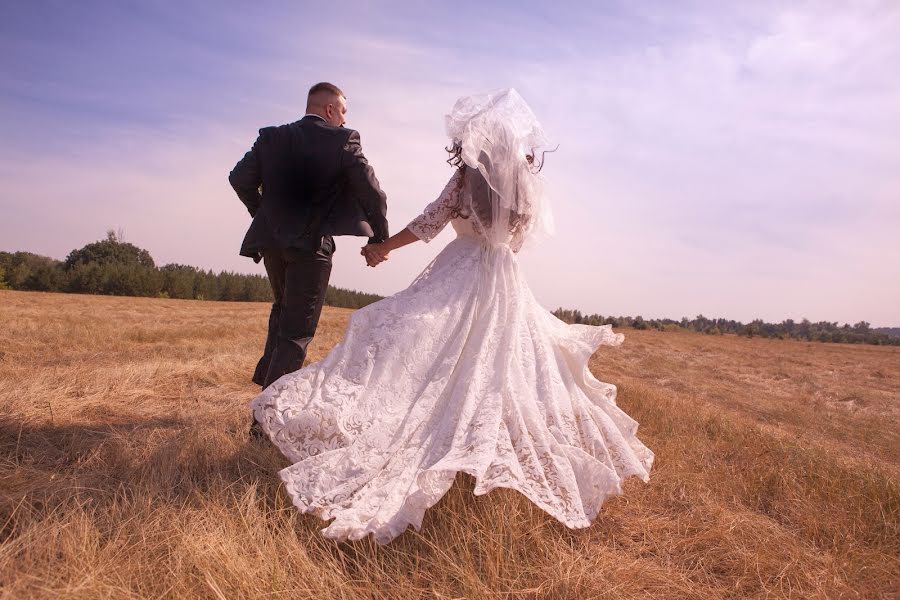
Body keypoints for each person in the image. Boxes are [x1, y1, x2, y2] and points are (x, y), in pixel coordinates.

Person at [251, 88, 653, 543]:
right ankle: (468, 451)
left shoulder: (467, 177)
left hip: (461, 266)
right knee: (495, 367)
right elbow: (515, 240)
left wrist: (383, 247)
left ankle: (425, 444)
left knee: (408, 344)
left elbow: (430, 222)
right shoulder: (524, 183)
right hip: (504, 275)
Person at [228, 82, 389, 438]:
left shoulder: (271, 137)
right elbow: (371, 190)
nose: (346, 117)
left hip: (271, 242)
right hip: (310, 246)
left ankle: (262, 402)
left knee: (282, 311)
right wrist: (380, 236)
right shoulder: (344, 139)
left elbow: (239, 178)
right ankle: (264, 424)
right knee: (296, 332)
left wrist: (265, 215)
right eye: (344, 110)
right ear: (331, 110)